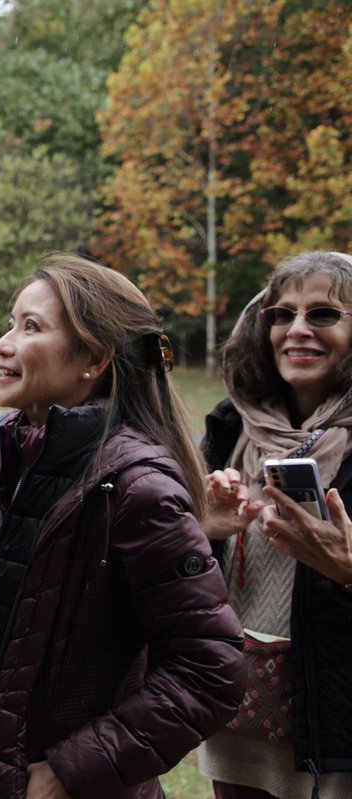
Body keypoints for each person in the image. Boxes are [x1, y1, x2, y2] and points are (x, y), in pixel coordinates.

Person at [0, 253, 245, 799]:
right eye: (10, 323)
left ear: (94, 359)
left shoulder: (136, 488)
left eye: (30, 327)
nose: (2, 344)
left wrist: (69, 772)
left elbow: (210, 671)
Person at [197, 250, 352, 799]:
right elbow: (173, 571)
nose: (297, 330)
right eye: (282, 314)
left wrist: (349, 570)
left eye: (324, 315)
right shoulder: (228, 427)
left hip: (334, 726)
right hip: (238, 711)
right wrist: (205, 532)